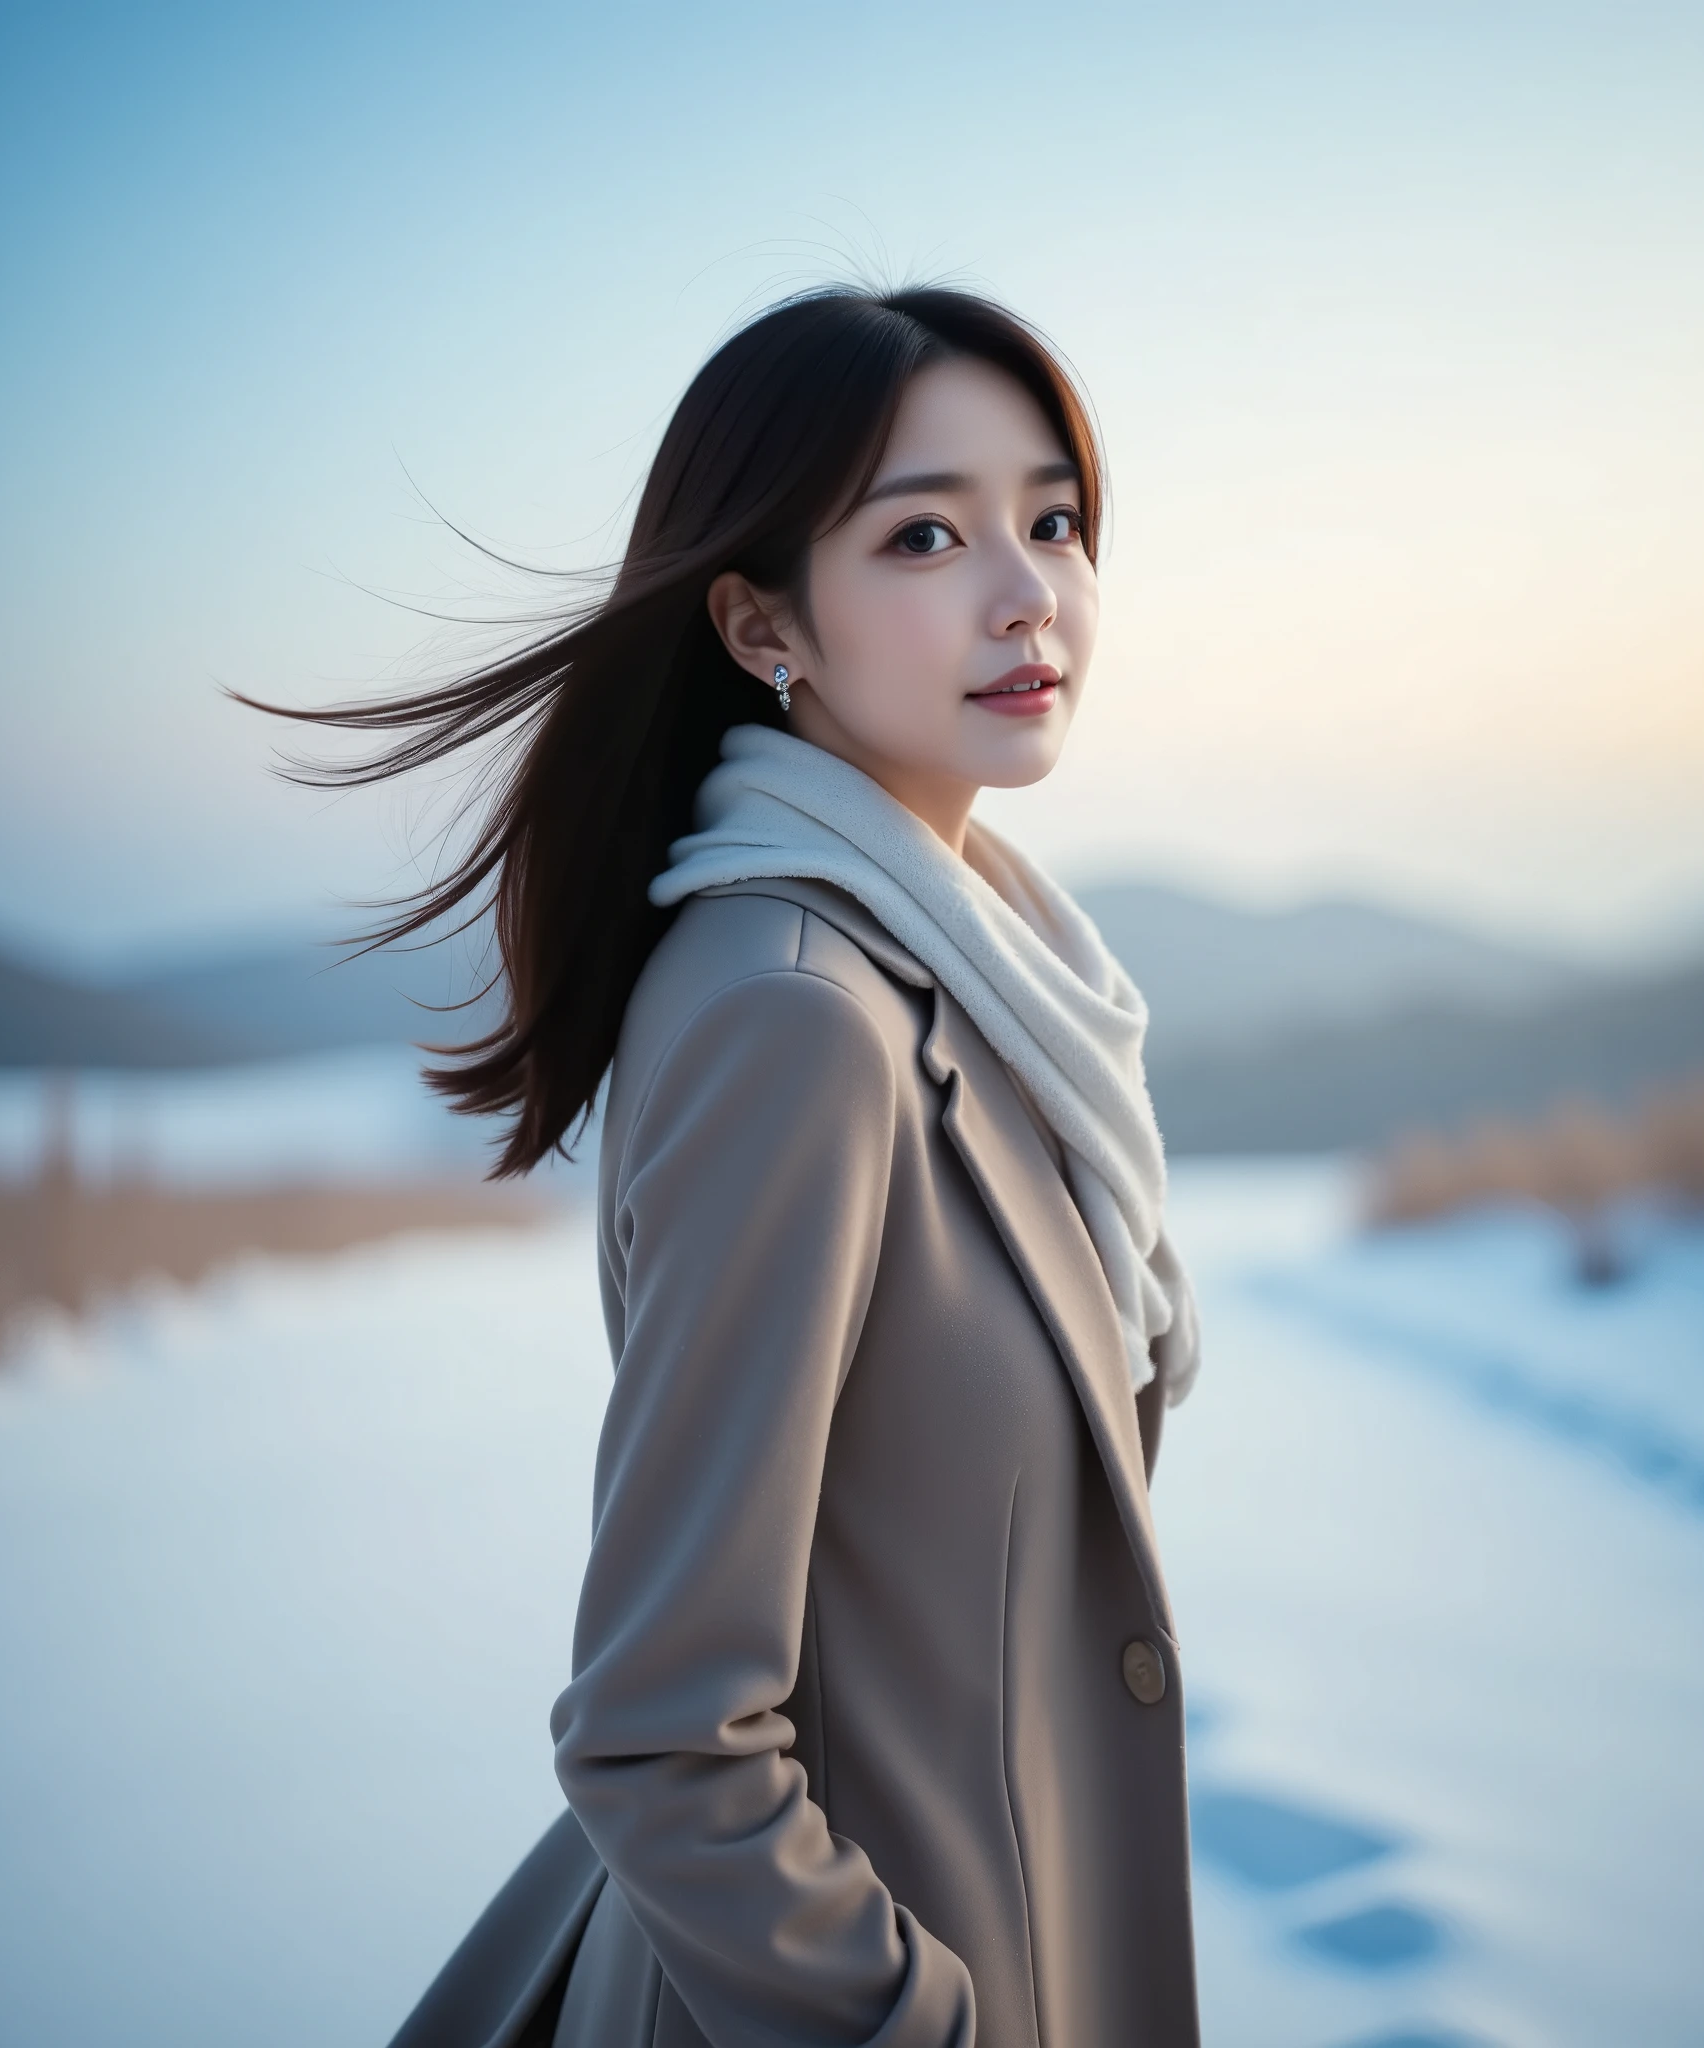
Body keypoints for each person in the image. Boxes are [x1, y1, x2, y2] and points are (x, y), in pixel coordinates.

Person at [256, 286, 1203, 2048]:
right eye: (926, 533)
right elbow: (661, 1733)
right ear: (763, 620)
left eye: (1053, 520)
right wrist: (925, 2029)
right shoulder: (799, 1019)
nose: (1027, 592)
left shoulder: (985, 981)